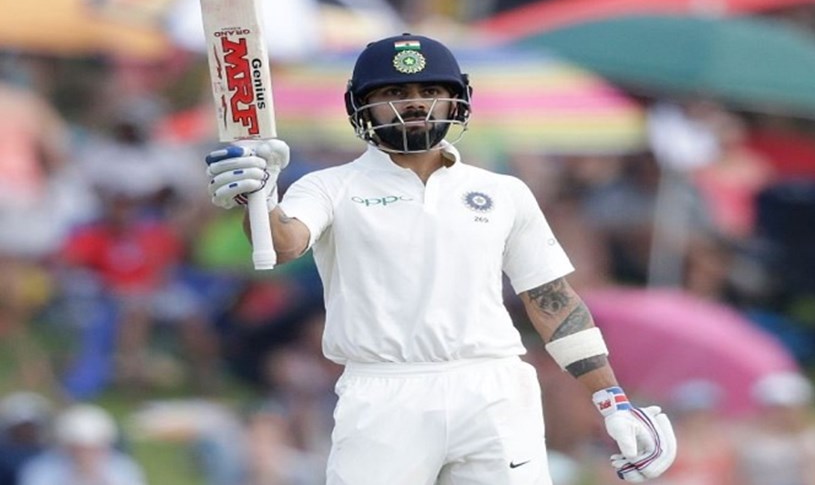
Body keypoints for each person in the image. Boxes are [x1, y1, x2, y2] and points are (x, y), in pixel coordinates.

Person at [204, 34, 677, 484]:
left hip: (494, 386)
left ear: (456, 101)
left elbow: (551, 298)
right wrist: (259, 198)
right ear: (361, 105)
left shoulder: (503, 192)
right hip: (384, 391)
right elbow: (284, 244)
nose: (415, 103)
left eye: (430, 91)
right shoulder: (329, 187)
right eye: (394, 92)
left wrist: (612, 399)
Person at [19, 403, 147, 485]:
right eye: (80, 449)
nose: (86, 455)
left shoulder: (123, 469)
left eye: (94, 448)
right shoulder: (41, 469)